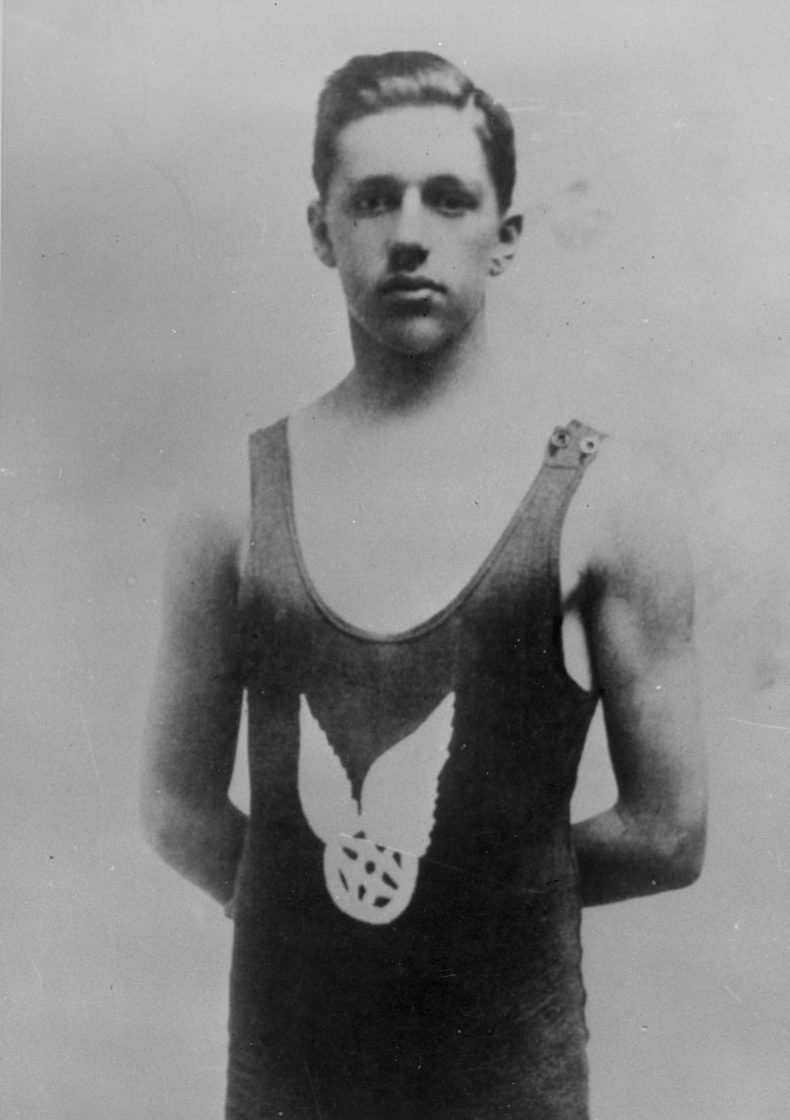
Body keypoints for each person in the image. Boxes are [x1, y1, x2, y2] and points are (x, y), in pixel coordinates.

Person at [141, 51, 707, 1120]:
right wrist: (326, 909)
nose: (409, 234)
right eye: (372, 200)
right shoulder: (230, 502)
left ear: (505, 237)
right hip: (293, 1082)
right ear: (321, 230)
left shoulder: (604, 503)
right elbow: (173, 807)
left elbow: (669, 831)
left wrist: (445, 904)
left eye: (449, 199)